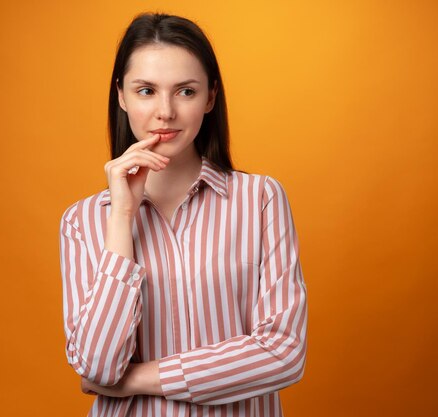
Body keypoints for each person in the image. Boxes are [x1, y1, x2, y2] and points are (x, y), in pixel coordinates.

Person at [59, 12, 308, 417]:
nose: (166, 112)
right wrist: (122, 215)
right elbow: (99, 366)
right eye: (146, 91)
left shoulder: (260, 199)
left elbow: (283, 353)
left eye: (186, 92)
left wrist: (136, 379)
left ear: (210, 97)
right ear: (121, 95)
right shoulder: (82, 221)